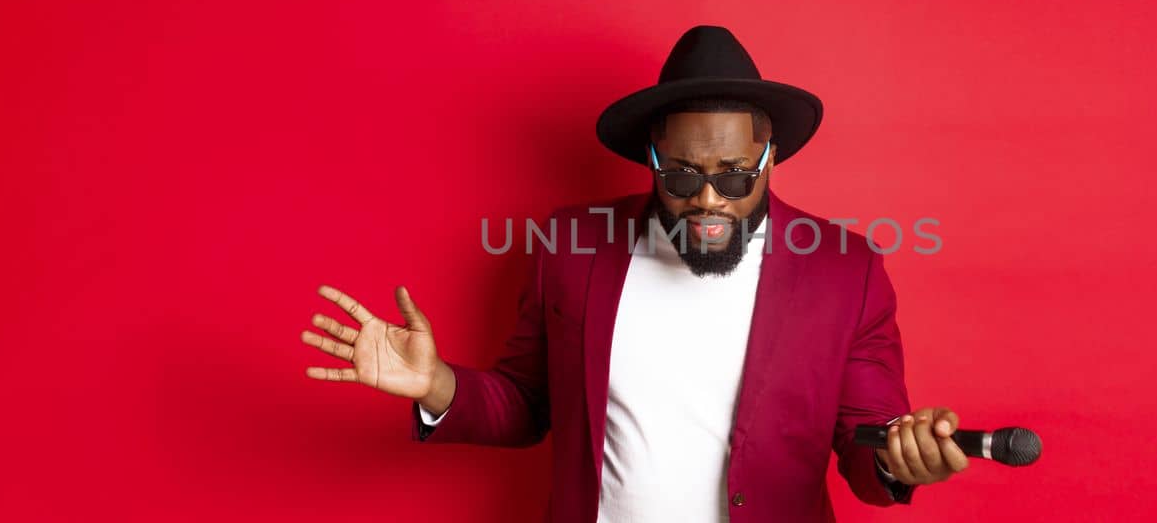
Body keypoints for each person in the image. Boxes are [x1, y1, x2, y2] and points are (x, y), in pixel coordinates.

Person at [300, 26, 969, 522]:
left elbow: (867, 441)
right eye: (682, 175)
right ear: (652, 158)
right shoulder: (573, 246)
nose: (710, 199)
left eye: (735, 175)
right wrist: (436, 382)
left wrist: (895, 456)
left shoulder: (843, 270)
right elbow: (526, 404)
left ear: (769, 158)